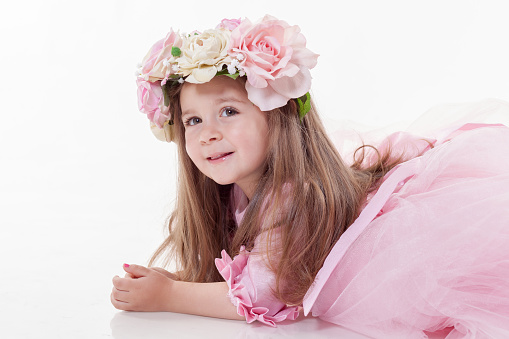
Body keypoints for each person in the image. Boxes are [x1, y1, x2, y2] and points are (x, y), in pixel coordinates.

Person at [111, 15, 509, 338]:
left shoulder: (293, 196)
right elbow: (255, 266)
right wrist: (182, 278)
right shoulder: (237, 193)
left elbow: (265, 297)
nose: (208, 133)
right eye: (193, 120)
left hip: (413, 250)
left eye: (228, 111)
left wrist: (170, 295)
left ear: (275, 117)